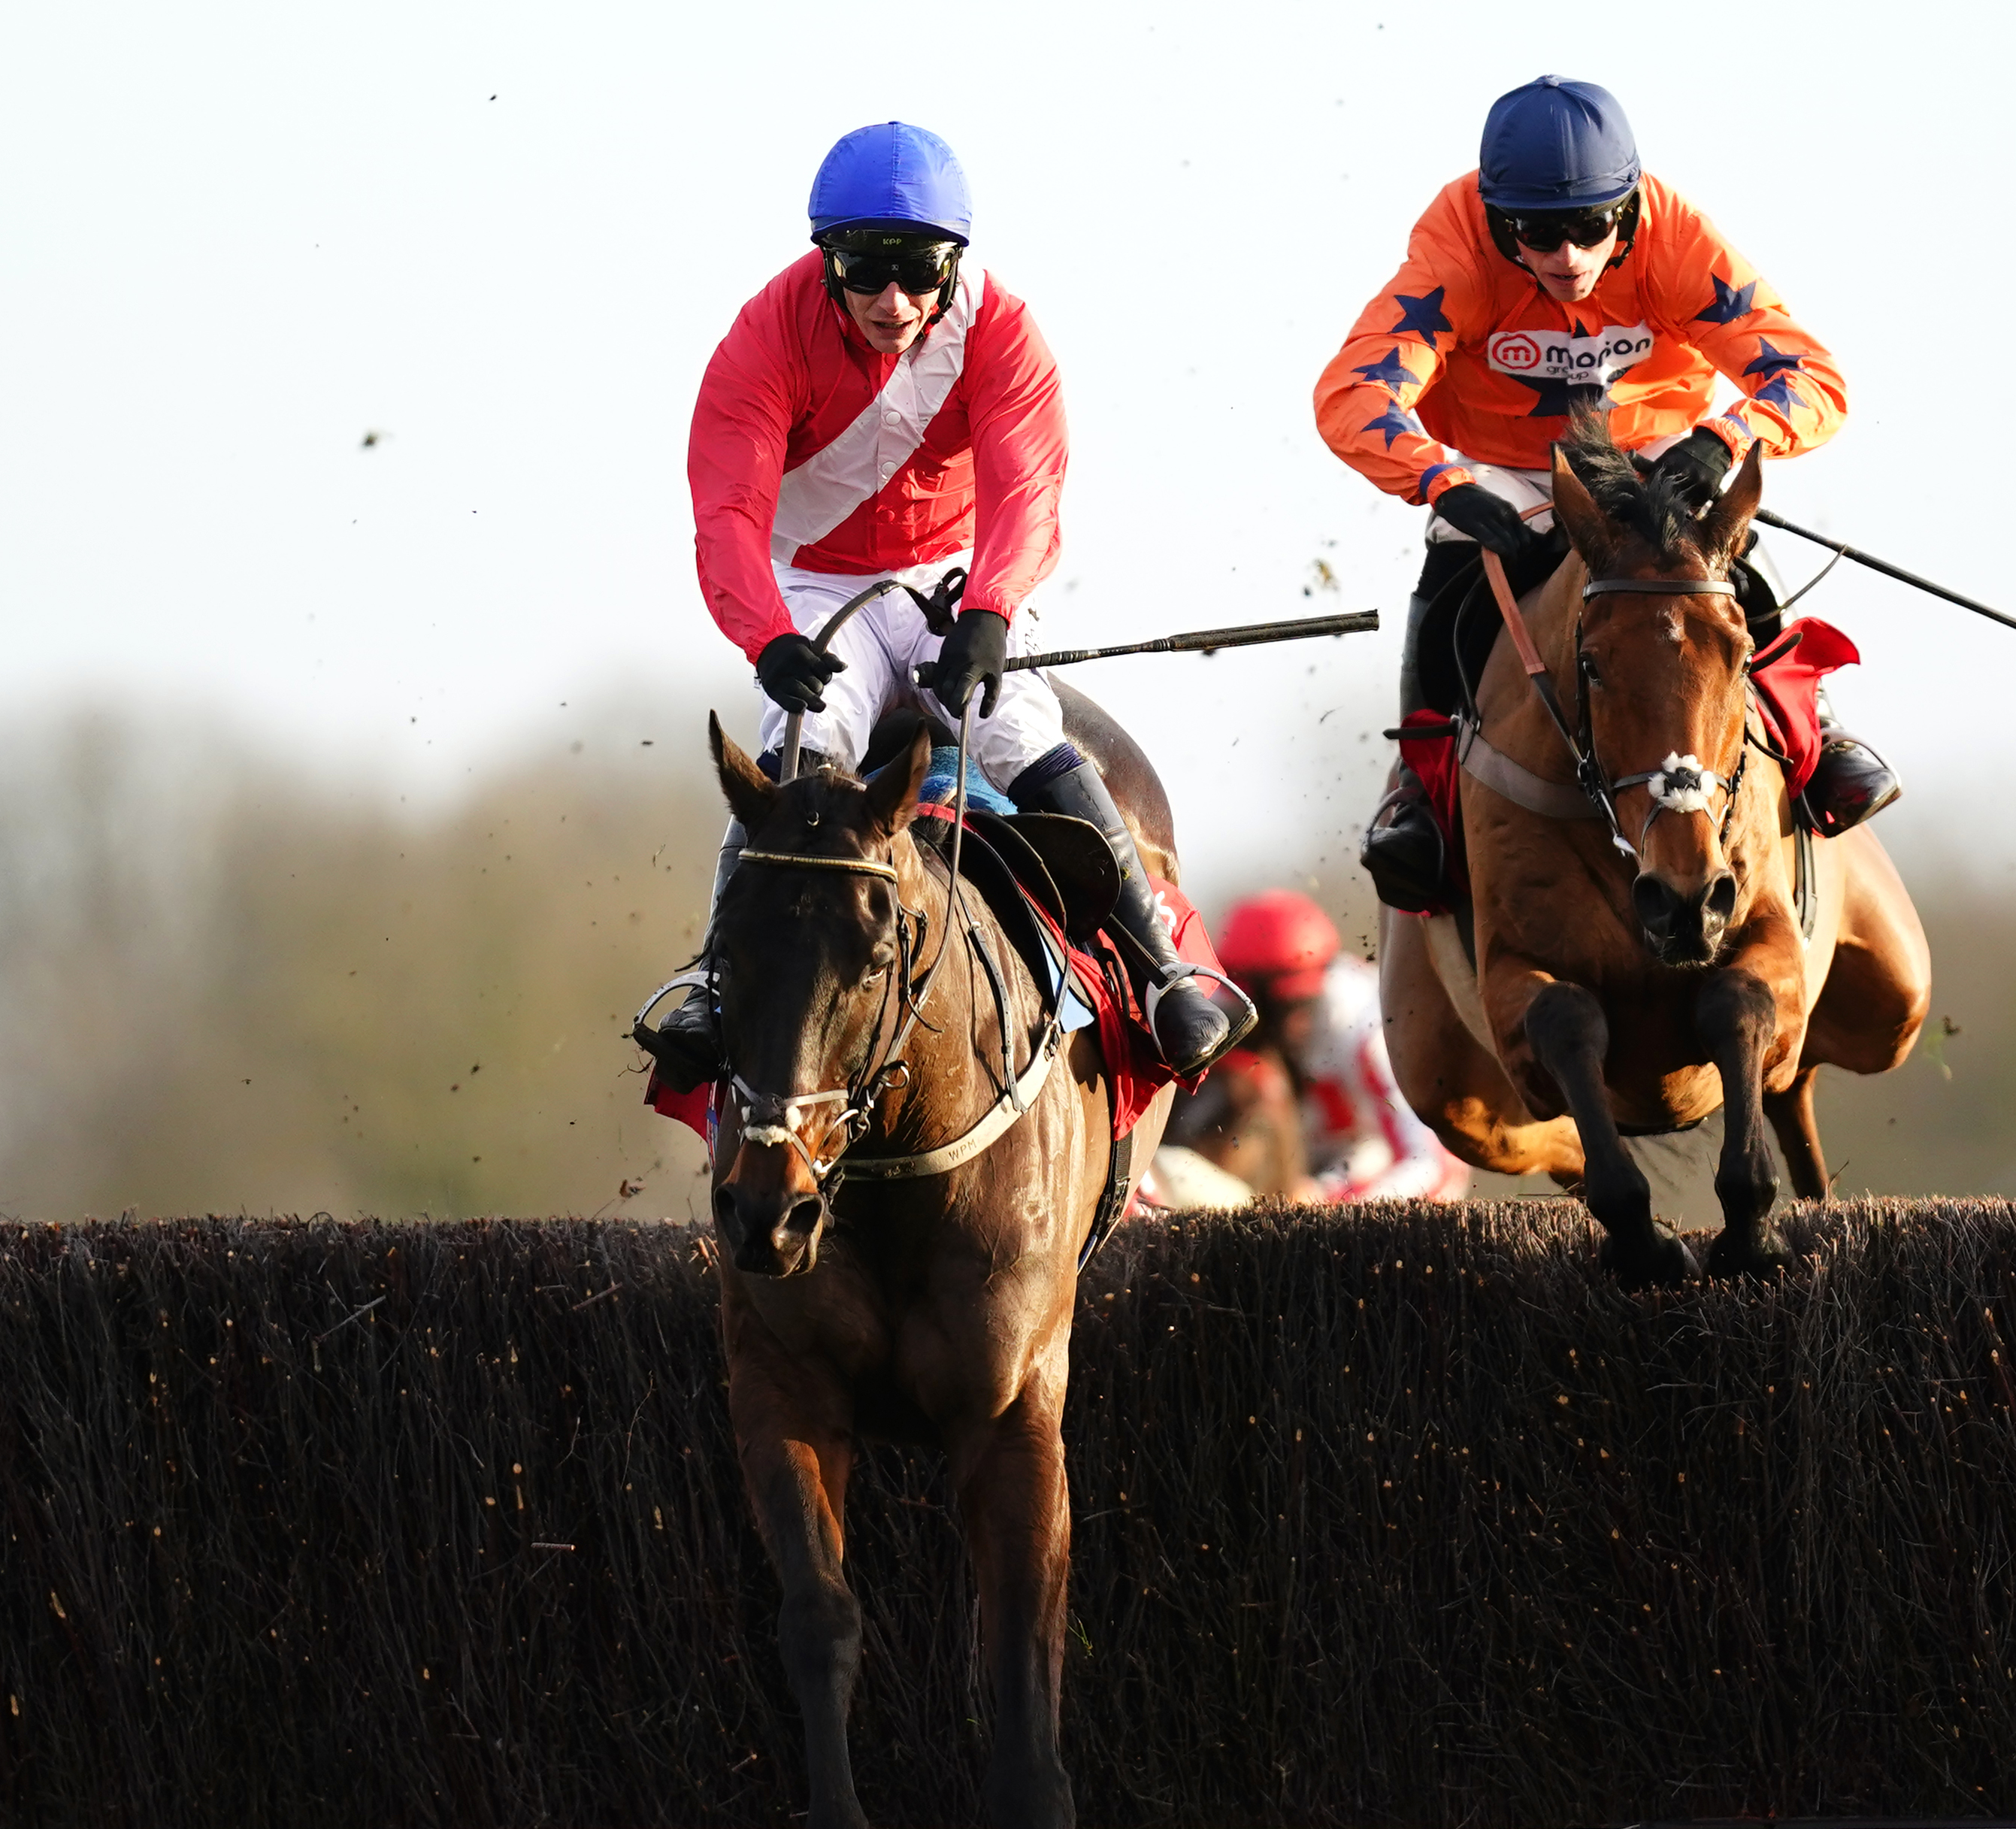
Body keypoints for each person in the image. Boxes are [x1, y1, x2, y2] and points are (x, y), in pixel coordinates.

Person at [641, 121, 1251, 1084]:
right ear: (825, 259)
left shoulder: (1003, 331)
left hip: (947, 576)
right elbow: (726, 506)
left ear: (954, 261)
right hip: (812, 580)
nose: (893, 300)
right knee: (802, 751)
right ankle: (718, 986)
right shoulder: (765, 335)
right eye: (864, 269)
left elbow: (1028, 491)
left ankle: (1166, 975)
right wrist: (765, 636)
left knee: (1012, 724)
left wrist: (993, 611)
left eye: (920, 271)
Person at [1312, 74, 1898, 916]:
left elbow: (1811, 376)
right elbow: (1351, 394)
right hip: (1510, 464)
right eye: (1538, 234)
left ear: (1627, 207)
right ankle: (1418, 786)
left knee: (1719, 557)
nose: (1568, 258)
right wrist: (1440, 483)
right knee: (1451, 568)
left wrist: (1725, 437)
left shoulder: (1677, 238)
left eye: (1591, 228)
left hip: (1655, 450)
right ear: (1494, 218)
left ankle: (1818, 731)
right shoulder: (1455, 246)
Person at [1213, 891, 1473, 1203]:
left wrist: (1328, 1205)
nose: (1293, 1026)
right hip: (1290, 1172)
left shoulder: (1368, 1026)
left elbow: (1435, 1164)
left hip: (1363, 1171)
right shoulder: (1218, 1014)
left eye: (1294, 1006)